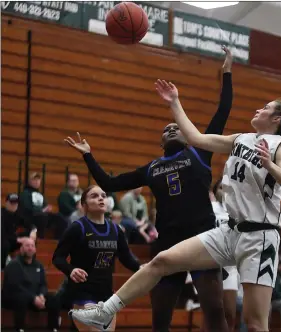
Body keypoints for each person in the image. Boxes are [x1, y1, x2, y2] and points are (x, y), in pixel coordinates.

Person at [69, 74, 281, 332]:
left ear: (276, 119)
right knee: (161, 261)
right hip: (229, 231)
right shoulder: (240, 139)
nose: (260, 109)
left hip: (259, 236)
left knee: (256, 323)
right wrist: (174, 102)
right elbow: (196, 137)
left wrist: (270, 164)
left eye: (266, 108)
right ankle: (105, 312)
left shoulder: (279, 145)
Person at [67, 47, 234, 332]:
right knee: (160, 318)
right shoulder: (151, 168)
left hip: (203, 239)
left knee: (215, 312)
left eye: (175, 126)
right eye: (166, 128)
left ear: (186, 134)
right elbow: (109, 183)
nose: (171, 128)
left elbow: (223, 109)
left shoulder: (200, 153)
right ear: (161, 143)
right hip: (167, 243)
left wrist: (227, 72)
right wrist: (87, 155)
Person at [52, 185, 141, 331]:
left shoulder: (115, 230)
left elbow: (126, 258)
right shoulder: (77, 228)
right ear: (84, 205)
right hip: (83, 293)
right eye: (94, 196)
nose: (101, 198)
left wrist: (141, 268)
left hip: (106, 295)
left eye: (103, 195)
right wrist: (71, 269)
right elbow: (58, 258)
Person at [2, 238, 61, 332]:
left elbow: (43, 284)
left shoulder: (39, 265)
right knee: (20, 298)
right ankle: (20, 329)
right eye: (27, 246)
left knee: (54, 298)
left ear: (35, 249)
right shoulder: (14, 264)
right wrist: (33, 298)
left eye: (32, 246)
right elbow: (16, 287)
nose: (30, 248)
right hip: (14, 298)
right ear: (21, 249)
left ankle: (54, 328)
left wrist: (41, 295)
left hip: (35, 298)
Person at [210, 177, 240, 331]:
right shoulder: (210, 207)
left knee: (230, 313)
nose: (224, 191)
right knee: (211, 315)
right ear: (215, 192)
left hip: (230, 266)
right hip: (211, 263)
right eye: (221, 187)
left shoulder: (237, 211)